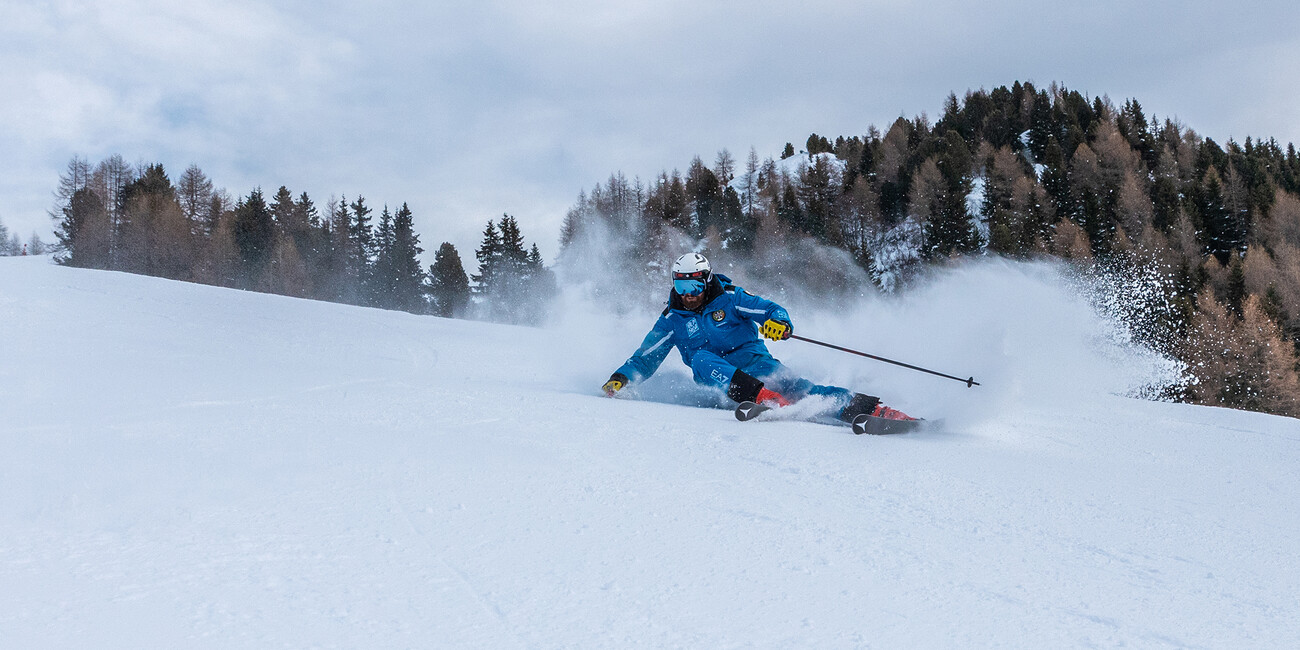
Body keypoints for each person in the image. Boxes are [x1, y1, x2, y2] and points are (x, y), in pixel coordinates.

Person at [602, 253, 914, 423]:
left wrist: (779, 322)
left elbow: (769, 309)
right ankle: (761, 398)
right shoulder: (672, 319)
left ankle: (873, 411)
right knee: (699, 357)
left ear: (706, 281)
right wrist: (620, 378)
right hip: (721, 378)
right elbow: (645, 356)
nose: (689, 296)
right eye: (682, 289)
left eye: (694, 287)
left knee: (804, 390)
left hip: (757, 363)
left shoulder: (730, 298)